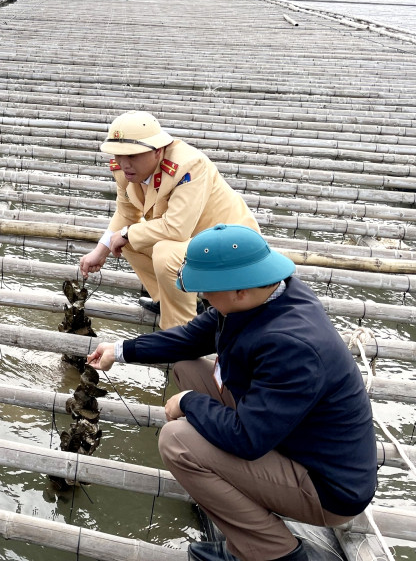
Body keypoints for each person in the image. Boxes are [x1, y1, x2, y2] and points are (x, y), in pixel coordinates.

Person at [87, 224, 377, 561]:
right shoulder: (268, 295)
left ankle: (273, 552)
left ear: (238, 290)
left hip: (326, 487)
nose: (203, 298)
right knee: (187, 366)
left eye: (207, 290)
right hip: (288, 436)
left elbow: (247, 439)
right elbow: (191, 338)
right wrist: (121, 351)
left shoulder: (292, 346)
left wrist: (189, 402)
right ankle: (229, 490)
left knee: (176, 440)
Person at [79, 110, 259, 328]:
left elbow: (177, 229)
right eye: (118, 155)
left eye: (132, 155)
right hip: (191, 242)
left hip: (229, 243)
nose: (124, 163)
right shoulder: (123, 172)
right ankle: (169, 301)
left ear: (158, 151)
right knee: (124, 240)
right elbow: (126, 214)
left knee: (161, 250)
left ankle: (181, 328)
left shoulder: (189, 165)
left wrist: (126, 234)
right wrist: (101, 250)